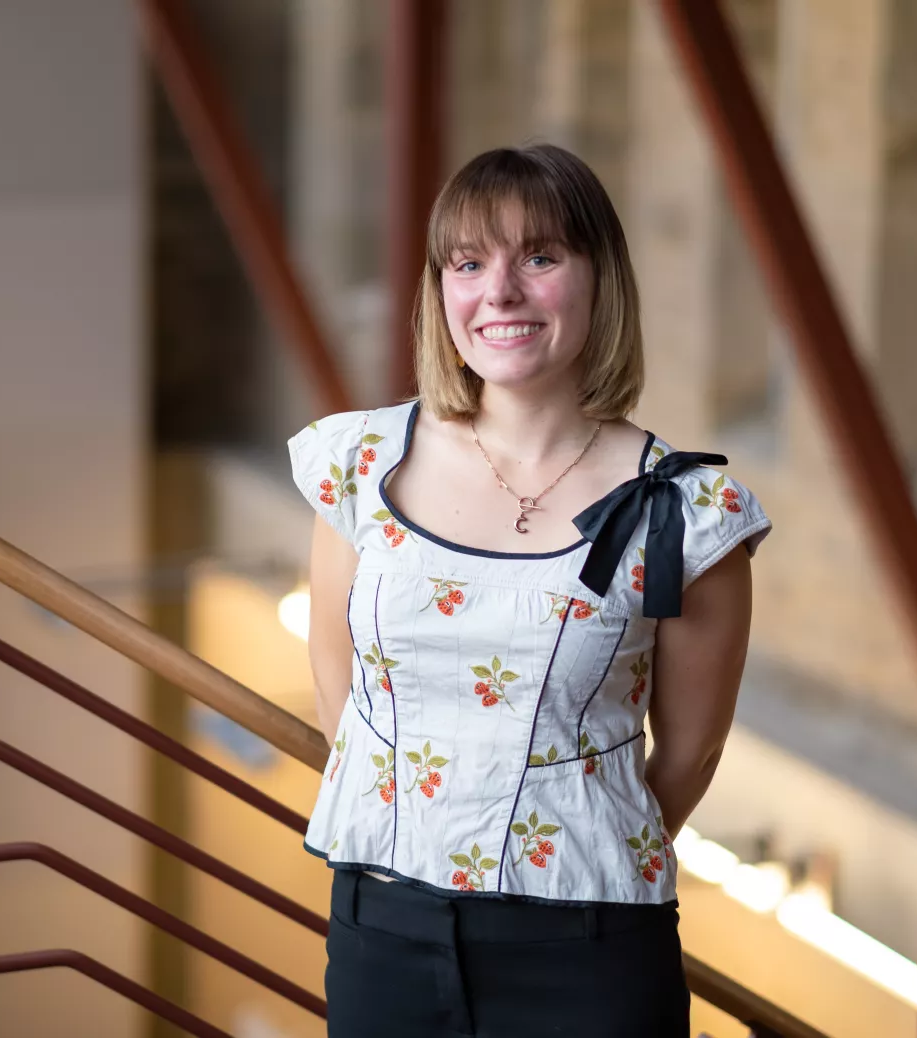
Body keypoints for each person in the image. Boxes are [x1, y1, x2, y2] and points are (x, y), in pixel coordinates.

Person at [288, 144, 771, 1037]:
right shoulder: (361, 463)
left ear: (600, 283)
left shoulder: (687, 511)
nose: (499, 293)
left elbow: (688, 758)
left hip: (584, 950)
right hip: (382, 929)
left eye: (539, 258)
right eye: (468, 264)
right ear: (442, 291)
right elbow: (335, 679)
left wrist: (550, 844)